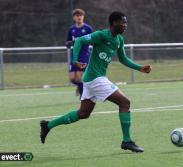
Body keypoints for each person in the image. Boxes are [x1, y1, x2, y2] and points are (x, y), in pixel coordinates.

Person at [40, 11, 151, 153]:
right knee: (125, 102)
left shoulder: (119, 39)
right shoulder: (101, 35)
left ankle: (47, 125)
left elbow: (122, 58)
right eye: (122, 22)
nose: (125, 25)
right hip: (95, 78)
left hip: (92, 78)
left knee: (83, 113)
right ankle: (127, 141)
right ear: (113, 23)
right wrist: (75, 60)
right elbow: (79, 40)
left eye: (126, 22)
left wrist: (140, 68)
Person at [66, 8, 93, 97]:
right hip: (74, 55)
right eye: (77, 16)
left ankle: (83, 97)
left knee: (79, 77)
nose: (79, 17)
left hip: (83, 54)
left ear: (83, 17)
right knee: (72, 78)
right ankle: (80, 86)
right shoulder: (71, 29)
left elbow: (93, 39)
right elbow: (68, 42)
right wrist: (69, 43)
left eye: (81, 15)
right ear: (74, 17)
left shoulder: (87, 28)